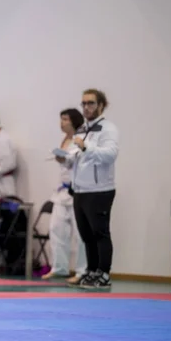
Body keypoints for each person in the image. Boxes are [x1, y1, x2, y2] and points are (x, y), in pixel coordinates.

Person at [64, 89, 118, 289]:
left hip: (100, 189)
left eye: (91, 103)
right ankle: (92, 270)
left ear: (101, 105)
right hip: (80, 189)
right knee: (86, 235)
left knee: (100, 233)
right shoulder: (81, 130)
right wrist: (65, 158)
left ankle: (104, 273)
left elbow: (110, 155)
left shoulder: (108, 129)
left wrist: (86, 147)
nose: (86, 107)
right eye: (84, 104)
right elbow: (74, 157)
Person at [42, 108, 87, 283]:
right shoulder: (65, 140)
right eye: (61, 119)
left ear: (74, 120)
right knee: (56, 229)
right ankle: (59, 268)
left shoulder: (82, 138)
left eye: (66, 119)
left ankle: (82, 270)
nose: (62, 122)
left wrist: (65, 158)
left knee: (80, 233)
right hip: (62, 192)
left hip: (78, 191)